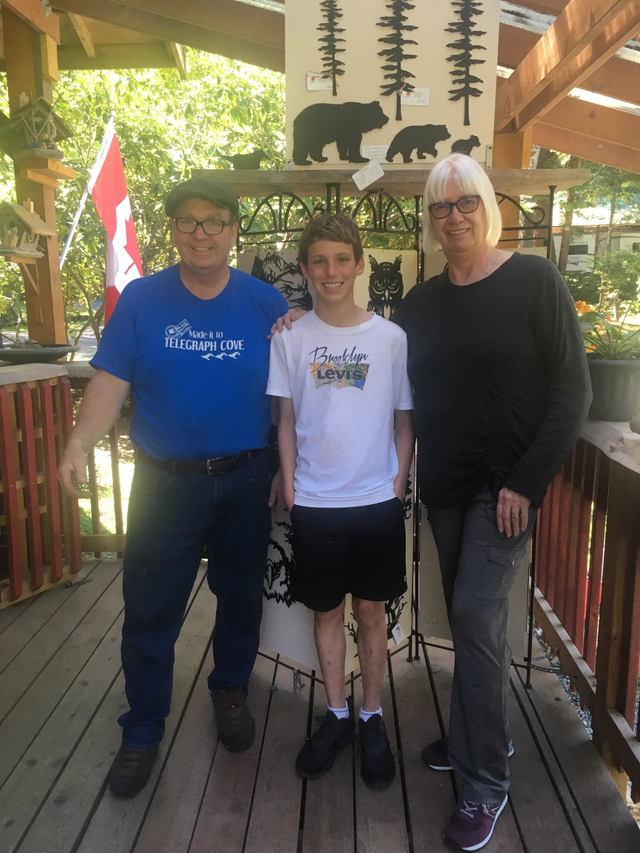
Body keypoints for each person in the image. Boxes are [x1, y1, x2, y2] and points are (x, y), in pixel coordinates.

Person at [57, 177, 288, 798]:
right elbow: (108, 383)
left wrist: (294, 469)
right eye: (188, 222)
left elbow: (297, 392)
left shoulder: (266, 304)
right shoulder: (141, 301)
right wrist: (78, 443)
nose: (202, 233)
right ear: (174, 231)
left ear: (234, 229)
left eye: (214, 221)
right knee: (151, 609)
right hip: (163, 484)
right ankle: (142, 729)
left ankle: (231, 690)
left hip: (245, 478)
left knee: (241, 598)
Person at [392, 154, 592, 850]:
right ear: (430, 219)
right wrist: (296, 319)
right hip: (445, 482)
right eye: (440, 207)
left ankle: (484, 784)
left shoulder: (534, 280)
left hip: (505, 488)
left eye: (465, 201)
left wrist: (526, 482)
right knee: (466, 621)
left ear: (487, 206)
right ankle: (484, 735)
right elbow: (383, 369)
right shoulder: (419, 302)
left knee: (476, 611)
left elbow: (574, 391)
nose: (453, 216)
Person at [266, 214, 414, 789]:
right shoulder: (290, 337)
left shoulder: (390, 338)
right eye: (319, 261)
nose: (331, 271)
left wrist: (397, 484)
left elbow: (406, 420)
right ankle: (337, 714)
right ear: (305, 270)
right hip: (316, 505)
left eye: (342, 259)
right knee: (326, 612)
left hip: (375, 501)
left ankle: (372, 716)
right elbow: (286, 420)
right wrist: (293, 485)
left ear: (359, 263)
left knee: (372, 611)